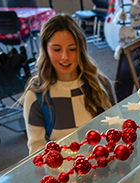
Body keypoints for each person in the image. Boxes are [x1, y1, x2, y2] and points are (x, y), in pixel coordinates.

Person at [22, 14, 115, 155]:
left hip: (102, 169)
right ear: (45, 50)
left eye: (72, 49)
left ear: (81, 49)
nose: (65, 57)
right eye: (57, 50)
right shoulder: (36, 96)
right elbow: (37, 153)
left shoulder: (101, 84)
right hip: (61, 174)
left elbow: (116, 129)